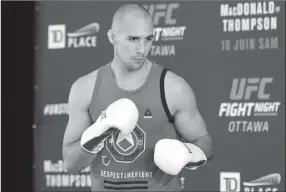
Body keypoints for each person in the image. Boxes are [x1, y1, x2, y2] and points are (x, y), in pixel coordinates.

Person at [62, 3, 213, 191]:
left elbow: (204, 141)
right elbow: (70, 163)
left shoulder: (173, 88)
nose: (142, 49)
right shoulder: (85, 88)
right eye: (133, 39)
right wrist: (99, 131)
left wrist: (188, 155)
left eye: (148, 39)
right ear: (112, 37)